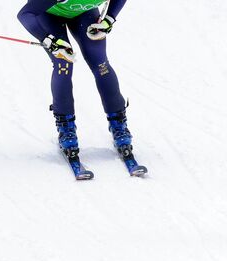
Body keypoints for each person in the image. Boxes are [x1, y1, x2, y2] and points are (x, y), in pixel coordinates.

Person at [17, 0, 137, 170]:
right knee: (63, 64)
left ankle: (118, 123)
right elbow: (25, 14)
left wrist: (109, 19)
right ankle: (66, 127)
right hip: (48, 14)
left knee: (100, 64)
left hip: (83, 12)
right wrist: (48, 40)